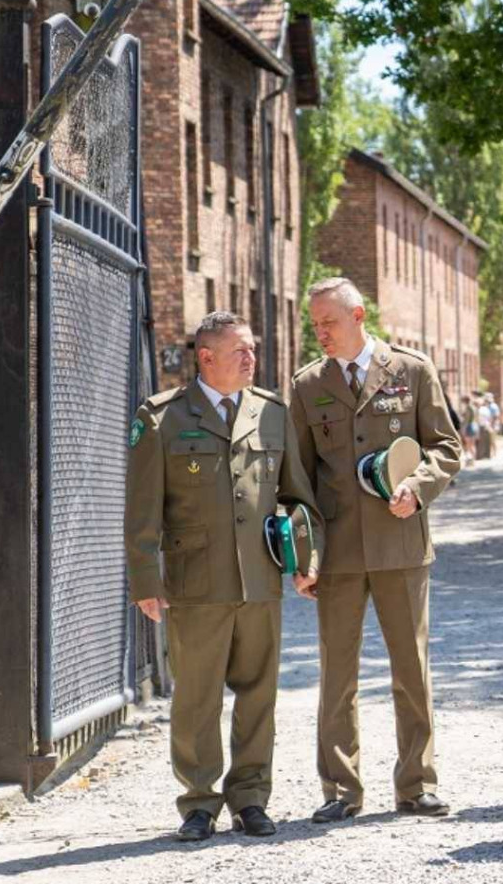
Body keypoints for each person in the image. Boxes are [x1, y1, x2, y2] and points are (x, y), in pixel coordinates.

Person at [125, 311, 322, 842]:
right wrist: (145, 579)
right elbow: (142, 509)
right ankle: (198, 803)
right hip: (195, 583)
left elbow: (298, 497)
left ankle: (251, 798)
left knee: (259, 695)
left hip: (260, 581)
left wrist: (306, 562)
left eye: (253, 348)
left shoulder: (272, 412)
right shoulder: (162, 417)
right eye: (240, 350)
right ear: (206, 357)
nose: (251, 357)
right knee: (197, 697)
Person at [291, 277, 463, 823]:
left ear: (359, 315)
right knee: (336, 673)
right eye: (315, 323)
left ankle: (417, 784)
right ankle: (341, 790)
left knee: (411, 668)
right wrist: (305, 554)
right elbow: (297, 479)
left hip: (401, 543)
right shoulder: (307, 385)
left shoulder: (411, 371)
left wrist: (419, 487)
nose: (320, 332)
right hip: (338, 551)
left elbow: (446, 447)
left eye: (329, 322)